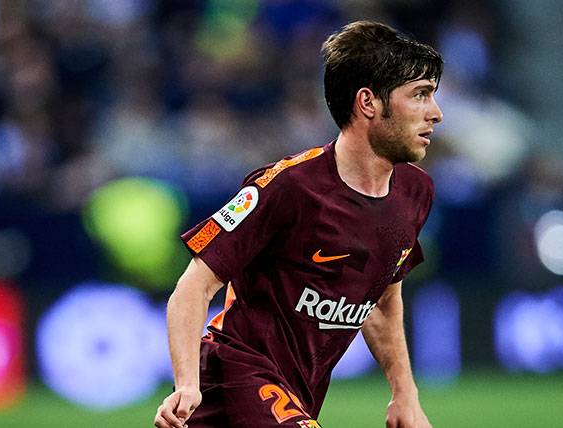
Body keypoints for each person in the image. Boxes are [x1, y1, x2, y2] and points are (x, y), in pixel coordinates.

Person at [155, 20, 443, 428]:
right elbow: (193, 286)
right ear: (368, 103)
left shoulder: (415, 192)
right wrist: (186, 384)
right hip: (236, 375)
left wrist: (405, 396)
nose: (436, 113)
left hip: (298, 395)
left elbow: (380, 301)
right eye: (420, 95)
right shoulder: (288, 186)